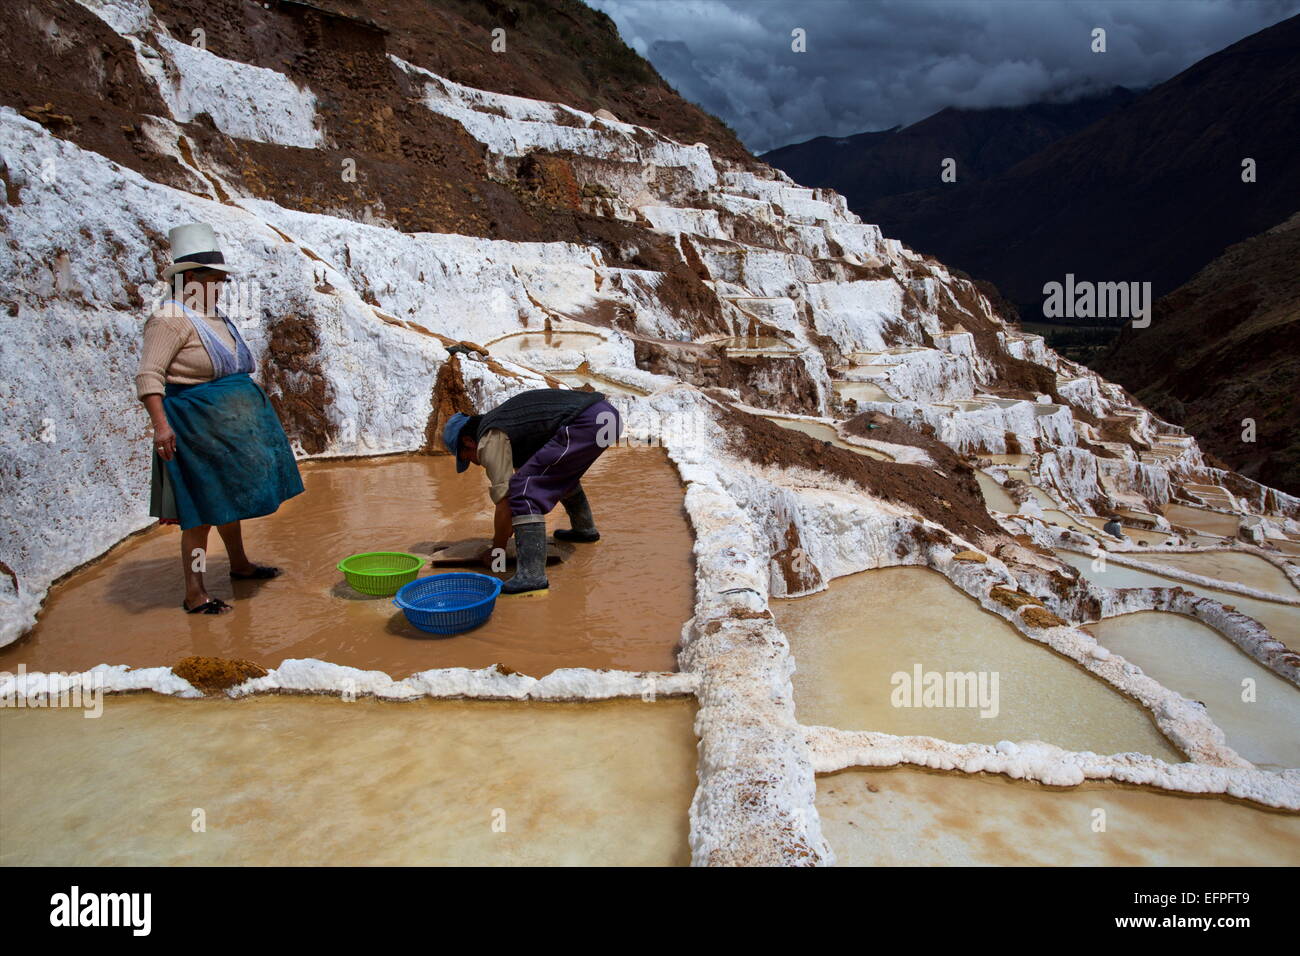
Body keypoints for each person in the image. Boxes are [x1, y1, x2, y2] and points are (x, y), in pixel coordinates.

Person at [135, 223, 304, 614]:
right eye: (216, 280)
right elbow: (149, 375)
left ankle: (240, 565)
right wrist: (162, 427)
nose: (222, 287)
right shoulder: (169, 320)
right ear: (191, 277)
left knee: (227, 501)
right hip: (193, 429)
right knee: (201, 512)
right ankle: (195, 592)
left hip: (221, 430)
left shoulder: (211, 316)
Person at [443, 388, 620, 595]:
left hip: (588, 421)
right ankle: (584, 530)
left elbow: (506, 501)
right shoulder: (508, 425)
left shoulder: (489, 437)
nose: (473, 463)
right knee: (554, 476)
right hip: (607, 418)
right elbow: (539, 474)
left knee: (522, 490)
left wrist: (497, 551)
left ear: (468, 441)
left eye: (466, 457)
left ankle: (532, 576)